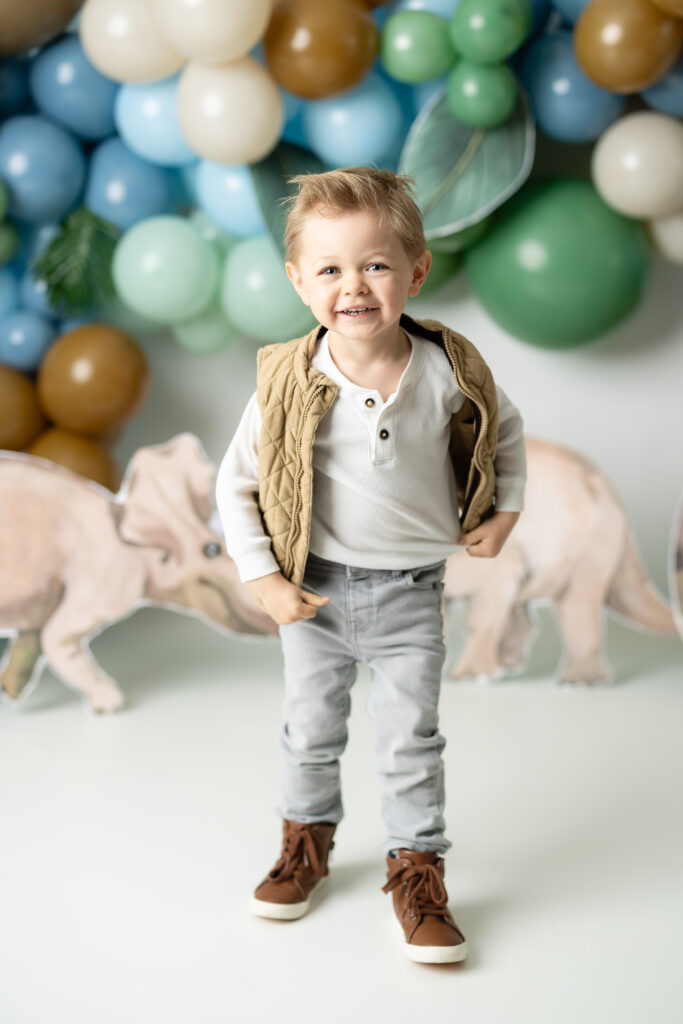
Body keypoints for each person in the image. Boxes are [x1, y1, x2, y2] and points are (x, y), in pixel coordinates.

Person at [215, 166, 527, 965]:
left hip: (411, 594)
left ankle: (417, 871)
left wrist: (503, 511)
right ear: (297, 280)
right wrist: (262, 576)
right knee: (310, 732)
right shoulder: (288, 380)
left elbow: (503, 434)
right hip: (312, 592)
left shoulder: (444, 370)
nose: (352, 286)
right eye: (329, 269)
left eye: (375, 265)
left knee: (409, 740)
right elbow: (238, 481)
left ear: (416, 271)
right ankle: (304, 844)